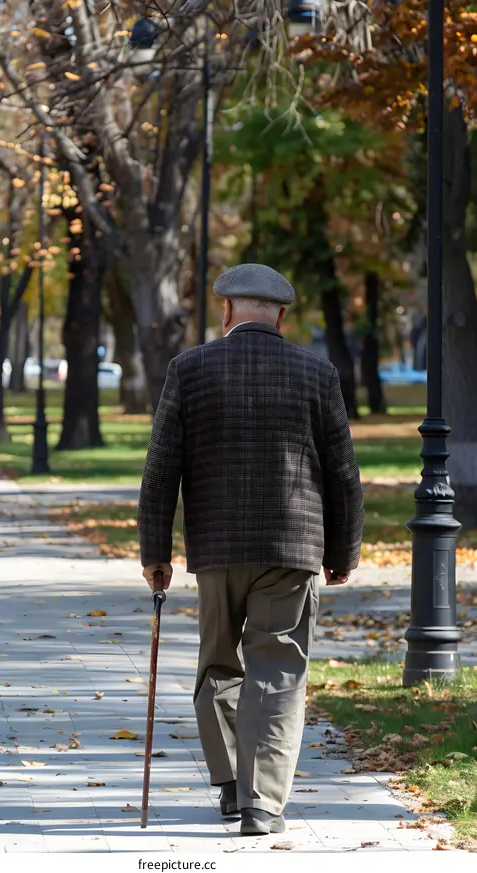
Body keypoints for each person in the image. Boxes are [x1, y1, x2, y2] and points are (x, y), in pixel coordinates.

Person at [138, 263, 364, 836]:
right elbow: (343, 474)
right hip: (293, 546)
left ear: (226, 311)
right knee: (279, 670)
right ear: (281, 315)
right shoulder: (316, 373)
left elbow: (161, 469)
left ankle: (232, 788)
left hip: (216, 549)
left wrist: (155, 552)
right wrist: (344, 551)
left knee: (218, 665)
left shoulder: (189, 369)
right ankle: (262, 803)